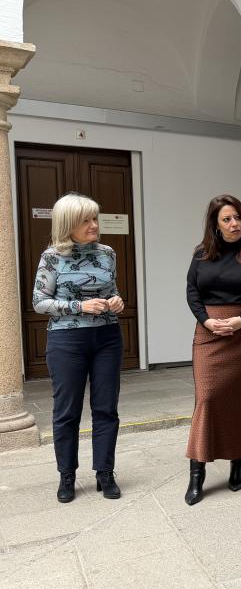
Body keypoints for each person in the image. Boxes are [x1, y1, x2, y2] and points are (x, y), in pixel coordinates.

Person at [33, 192, 126, 503]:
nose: (94, 224)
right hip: (66, 341)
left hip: (107, 337)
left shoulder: (107, 253)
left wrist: (116, 301)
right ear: (68, 224)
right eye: (85, 220)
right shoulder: (51, 257)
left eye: (95, 218)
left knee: (106, 408)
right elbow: (39, 302)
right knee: (67, 411)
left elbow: (112, 291)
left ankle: (105, 472)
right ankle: (67, 475)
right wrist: (79, 306)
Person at [184, 194, 241, 505]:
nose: (234, 224)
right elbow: (192, 291)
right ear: (216, 224)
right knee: (208, 397)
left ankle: (239, 461)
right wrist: (206, 321)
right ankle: (197, 473)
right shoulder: (201, 253)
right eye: (227, 219)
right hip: (210, 332)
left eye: (238, 218)